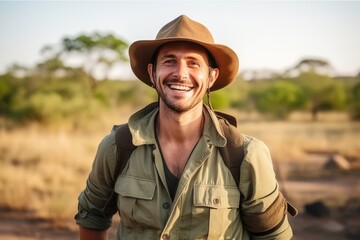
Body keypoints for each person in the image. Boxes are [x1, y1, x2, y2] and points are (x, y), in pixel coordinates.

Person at [75, 15, 295, 239]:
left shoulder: (245, 154)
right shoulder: (118, 147)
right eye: (169, 61)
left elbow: (274, 235)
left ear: (211, 77)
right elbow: (92, 216)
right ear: (152, 73)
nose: (180, 73)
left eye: (193, 63)